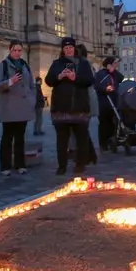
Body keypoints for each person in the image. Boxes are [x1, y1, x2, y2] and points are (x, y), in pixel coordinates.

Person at [45, 37, 94, 175]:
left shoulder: (83, 63)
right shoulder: (57, 63)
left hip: (80, 108)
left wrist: (75, 78)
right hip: (61, 109)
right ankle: (62, 166)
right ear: (62, 50)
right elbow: (49, 81)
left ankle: (80, 164)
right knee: (62, 140)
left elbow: (90, 80)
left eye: (71, 47)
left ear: (74, 48)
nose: (68, 50)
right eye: (66, 48)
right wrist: (59, 77)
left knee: (81, 139)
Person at [0, 40, 35, 176]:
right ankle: (5, 166)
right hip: (9, 107)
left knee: (20, 138)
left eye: (19, 50)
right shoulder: (3, 65)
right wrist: (10, 81)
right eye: (14, 50)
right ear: (10, 51)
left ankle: (20, 164)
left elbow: (31, 84)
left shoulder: (25, 65)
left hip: (23, 107)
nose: (17, 53)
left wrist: (32, 99)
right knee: (7, 138)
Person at [94, 57, 124, 150]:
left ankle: (111, 141)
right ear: (108, 65)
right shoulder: (100, 74)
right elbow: (97, 85)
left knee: (113, 123)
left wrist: (113, 71)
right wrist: (105, 88)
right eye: (114, 63)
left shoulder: (114, 74)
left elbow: (121, 78)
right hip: (104, 102)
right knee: (104, 123)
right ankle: (103, 143)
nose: (116, 65)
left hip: (114, 102)